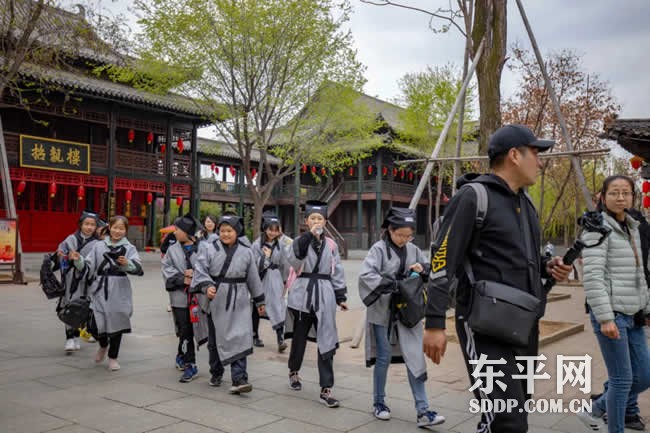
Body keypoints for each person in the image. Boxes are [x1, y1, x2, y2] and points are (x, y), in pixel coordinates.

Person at [423, 124, 571, 433]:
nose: (540, 162)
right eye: (536, 153)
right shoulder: (472, 196)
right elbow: (440, 259)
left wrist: (548, 266)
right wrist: (434, 322)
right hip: (484, 324)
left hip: (523, 325)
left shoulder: (526, 204)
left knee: (512, 417)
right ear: (515, 155)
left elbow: (523, 256)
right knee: (507, 420)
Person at [359, 207, 446, 428]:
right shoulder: (377, 250)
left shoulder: (414, 249)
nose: (404, 239)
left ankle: (423, 410)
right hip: (382, 312)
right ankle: (379, 403)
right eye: (400, 235)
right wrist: (394, 283)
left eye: (409, 236)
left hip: (409, 312)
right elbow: (367, 276)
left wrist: (423, 268)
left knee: (415, 356)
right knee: (384, 356)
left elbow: (430, 269)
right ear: (390, 230)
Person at [577, 175, 650, 433]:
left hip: (633, 313)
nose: (621, 198)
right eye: (614, 193)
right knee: (622, 380)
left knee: (643, 375)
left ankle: (595, 409)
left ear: (633, 196)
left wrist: (647, 308)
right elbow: (593, 277)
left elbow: (640, 273)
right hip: (612, 315)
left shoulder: (633, 226)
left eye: (626, 193)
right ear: (602, 197)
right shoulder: (596, 228)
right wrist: (606, 317)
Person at [283, 200, 348, 408]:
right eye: (313, 218)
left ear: (325, 221)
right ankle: (294, 371)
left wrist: (341, 296)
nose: (317, 221)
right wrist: (310, 236)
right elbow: (294, 261)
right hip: (303, 295)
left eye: (320, 218)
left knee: (327, 340)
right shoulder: (300, 241)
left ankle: (326, 388)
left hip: (325, 294)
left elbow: (337, 270)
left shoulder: (331, 245)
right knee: (299, 339)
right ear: (306, 221)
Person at [191, 214, 265, 394]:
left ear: (237, 231)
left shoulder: (247, 251)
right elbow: (200, 270)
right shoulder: (209, 248)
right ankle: (216, 372)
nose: (225, 234)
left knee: (240, 336)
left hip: (239, 298)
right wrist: (207, 286)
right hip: (217, 298)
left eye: (229, 230)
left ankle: (240, 378)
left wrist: (259, 300)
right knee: (215, 341)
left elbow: (253, 277)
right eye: (222, 230)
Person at [72, 215, 144, 371]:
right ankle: (103, 345)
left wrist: (128, 264)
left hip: (119, 289)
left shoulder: (129, 248)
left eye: (121, 228)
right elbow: (88, 265)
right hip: (99, 288)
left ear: (126, 230)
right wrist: (79, 260)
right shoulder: (98, 246)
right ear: (109, 228)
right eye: (115, 227)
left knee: (117, 323)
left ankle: (113, 357)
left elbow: (138, 268)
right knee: (95, 325)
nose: (117, 231)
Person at [162, 213, 202, 382]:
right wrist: (181, 278)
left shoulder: (204, 248)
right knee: (183, 330)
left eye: (177, 229)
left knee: (193, 331)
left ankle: (182, 354)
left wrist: (195, 274)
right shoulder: (172, 249)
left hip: (198, 298)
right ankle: (189, 364)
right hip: (179, 297)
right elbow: (166, 269)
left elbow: (210, 267)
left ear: (187, 232)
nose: (175, 232)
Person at [57, 210, 99, 353]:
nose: (89, 227)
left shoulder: (98, 244)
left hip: (88, 280)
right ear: (80, 224)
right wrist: (67, 257)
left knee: (83, 308)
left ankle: (77, 335)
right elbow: (59, 254)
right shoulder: (70, 239)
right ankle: (69, 338)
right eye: (86, 224)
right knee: (70, 305)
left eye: (92, 225)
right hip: (72, 279)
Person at [252, 211, 292, 352]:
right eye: (270, 230)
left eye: (276, 230)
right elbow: (253, 264)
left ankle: (280, 338)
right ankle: (254, 334)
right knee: (258, 305)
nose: (273, 233)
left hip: (275, 278)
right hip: (260, 278)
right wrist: (265, 257)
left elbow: (284, 263)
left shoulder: (281, 244)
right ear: (265, 228)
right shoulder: (257, 244)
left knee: (278, 307)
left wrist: (285, 280)